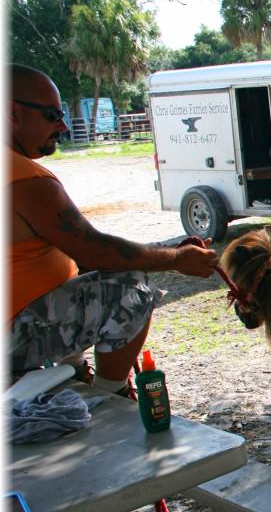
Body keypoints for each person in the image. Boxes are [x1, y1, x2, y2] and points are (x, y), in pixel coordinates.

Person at [7, 63, 219, 396]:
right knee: (130, 289)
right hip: (13, 337)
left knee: (86, 282)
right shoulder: (24, 180)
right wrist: (177, 258)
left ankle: (75, 372)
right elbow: (95, 249)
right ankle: (110, 396)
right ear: (12, 112)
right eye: (52, 114)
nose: (62, 124)